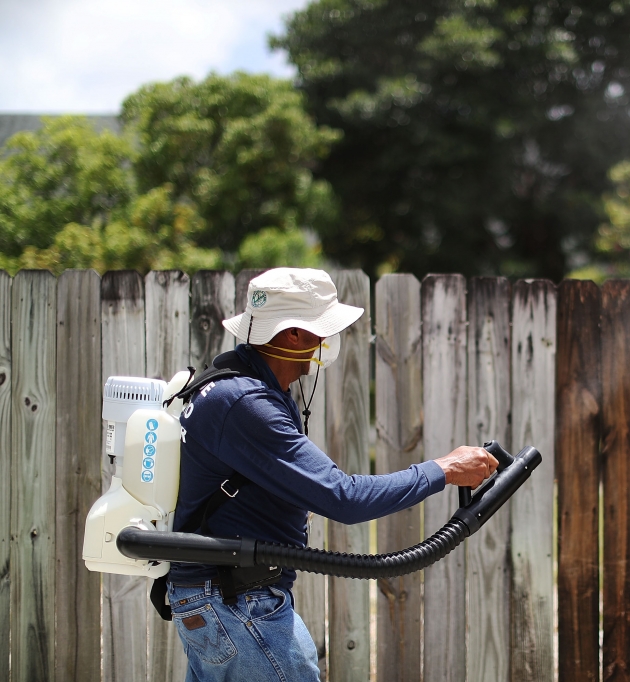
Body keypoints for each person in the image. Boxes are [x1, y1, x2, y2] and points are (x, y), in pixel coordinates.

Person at [165, 267, 497, 682]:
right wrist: (444, 470)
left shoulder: (237, 387)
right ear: (293, 334)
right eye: (320, 329)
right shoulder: (245, 403)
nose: (324, 341)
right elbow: (344, 497)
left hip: (220, 599)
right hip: (236, 603)